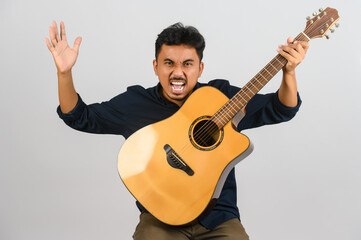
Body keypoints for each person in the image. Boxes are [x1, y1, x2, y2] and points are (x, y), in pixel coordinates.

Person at [46, 21, 309, 240]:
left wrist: (289, 73)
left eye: (187, 64)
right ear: (155, 66)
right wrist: (64, 74)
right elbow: (79, 117)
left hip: (219, 219)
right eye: (169, 63)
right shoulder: (136, 103)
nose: (177, 72)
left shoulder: (221, 98)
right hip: (160, 217)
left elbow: (281, 109)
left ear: (200, 68)